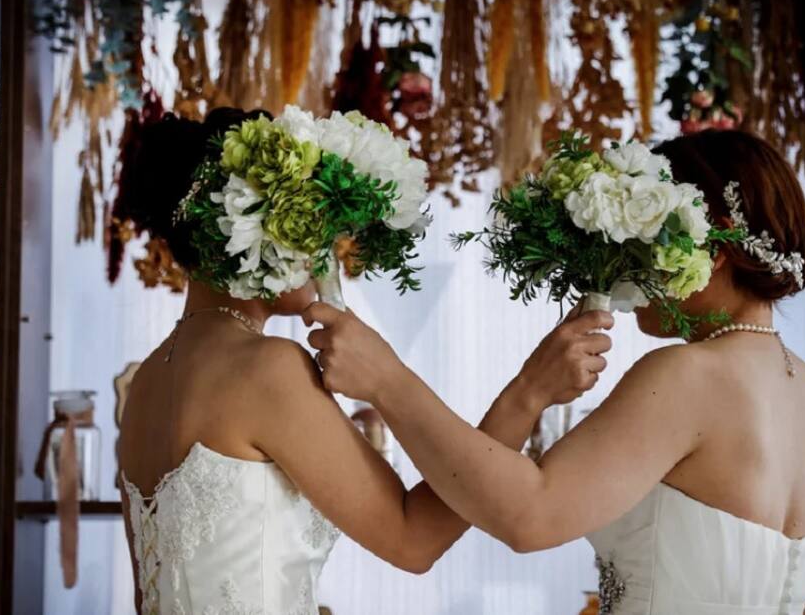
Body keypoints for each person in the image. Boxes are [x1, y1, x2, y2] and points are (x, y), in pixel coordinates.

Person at [306, 129, 805, 615]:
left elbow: (530, 515)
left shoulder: (689, 376)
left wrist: (387, 381)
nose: (628, 267)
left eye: (645, 238)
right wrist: (530, 391)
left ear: (717, 245)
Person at [113, 107, 614, 614]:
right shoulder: (266, 369)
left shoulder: (148, 381)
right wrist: (529, 392)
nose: (326, 248)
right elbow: (414, 539)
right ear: (250, 228)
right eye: (307, 221)